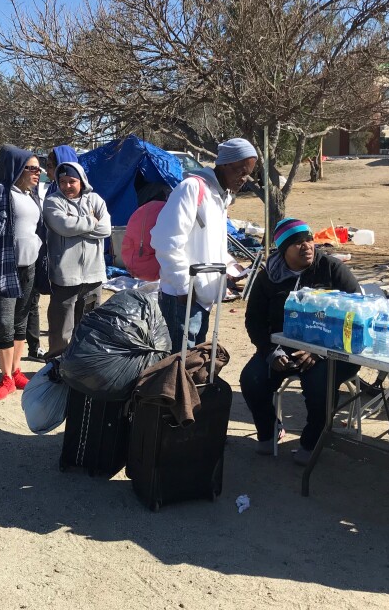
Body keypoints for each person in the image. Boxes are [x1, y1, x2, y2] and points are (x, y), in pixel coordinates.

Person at [240, 218, 363, 461]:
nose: (306, 246)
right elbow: (254, 320)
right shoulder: (269, 278)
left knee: (320, 387)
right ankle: (269, 432)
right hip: (284, 348)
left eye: (309, 239)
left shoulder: (331, 269)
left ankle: (312, 443)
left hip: (333, 350)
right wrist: (270, 352)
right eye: (297, 242)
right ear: (283, 249)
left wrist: (319, 352)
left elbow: (357, 315)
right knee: (252, 379)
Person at [151, 137, 255, 349]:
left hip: (203, 299)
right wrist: (183, 286)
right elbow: (166, 240)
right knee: (177, 365)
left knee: (193, 364)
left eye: (248, 173)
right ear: (225, 164)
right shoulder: (191, 188)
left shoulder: (219, 196)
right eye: (241, 171)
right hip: (183, 298)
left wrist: (230, 269)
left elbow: (208, 244)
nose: (245, 178)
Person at [0, 146, 43, 400]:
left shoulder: (32, 195)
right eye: (32, 168)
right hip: (4, 269)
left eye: (39, 168)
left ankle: (16, 370)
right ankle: (6, 378)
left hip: (29, 267)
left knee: (21, 320)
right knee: (3, 323)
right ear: (18, 169)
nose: (38, 173)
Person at [42, 161, 110, 357]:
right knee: (61, 327)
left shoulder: (96, 200)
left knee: (89, 325)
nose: (67, 186)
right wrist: (91, 221)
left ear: (81, 180)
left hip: (93, 276)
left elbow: (105, 229)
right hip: (65, 276)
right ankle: (55, 365)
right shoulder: (53, 201)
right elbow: (64, 226)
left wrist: (78, 226)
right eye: (62, 182)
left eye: (72, 181)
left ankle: (82, 365)